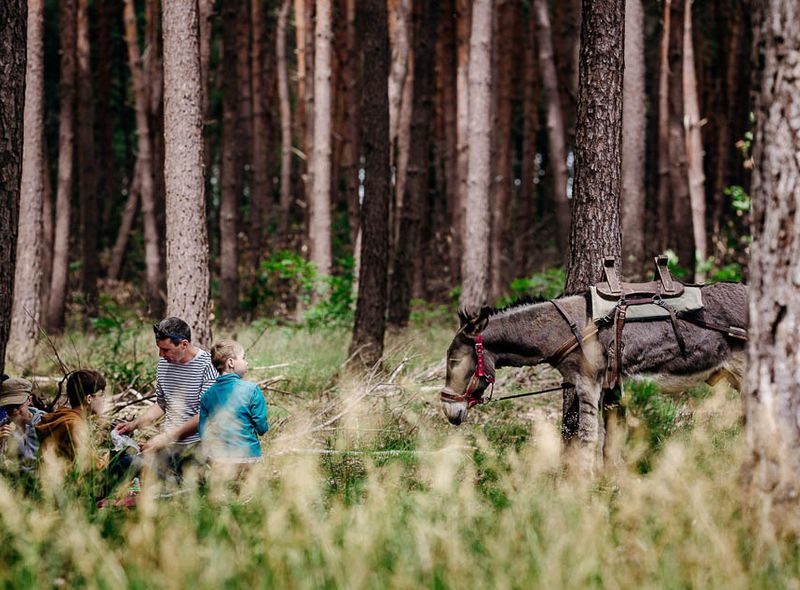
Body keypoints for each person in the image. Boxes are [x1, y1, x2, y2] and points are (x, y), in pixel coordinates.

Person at [113, 317, 217, 476]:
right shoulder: (164, 364)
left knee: (144, 470)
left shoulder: (208, 366)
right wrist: (133, 425)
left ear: (184, 344)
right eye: (159, 349)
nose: (161, 355)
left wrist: (165, 438)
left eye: (166, 350)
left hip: (198, 445)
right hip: (170, 443)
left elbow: (204, 415)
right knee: (122, 463)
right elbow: (161, 404)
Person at [199, 340, 268, 466]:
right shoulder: (252, 390)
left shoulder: (207, 395)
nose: (246, 362)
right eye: (243, 358)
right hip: (248, 457)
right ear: (231, 362)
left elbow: (203, 432)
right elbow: (262, 427)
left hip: (219, 459)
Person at [35, 370, 108, 463]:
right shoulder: (75, 426)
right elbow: (91, 467)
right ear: (89, 399)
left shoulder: (64, 415)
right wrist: (109, 457)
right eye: (101, 395)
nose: (104, 400)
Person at [0, 376, 45, 474]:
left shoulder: (44, 422)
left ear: (29, 400)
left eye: (17, 406)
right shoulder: (3, 426)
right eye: (8, 408)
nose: (13, 412)